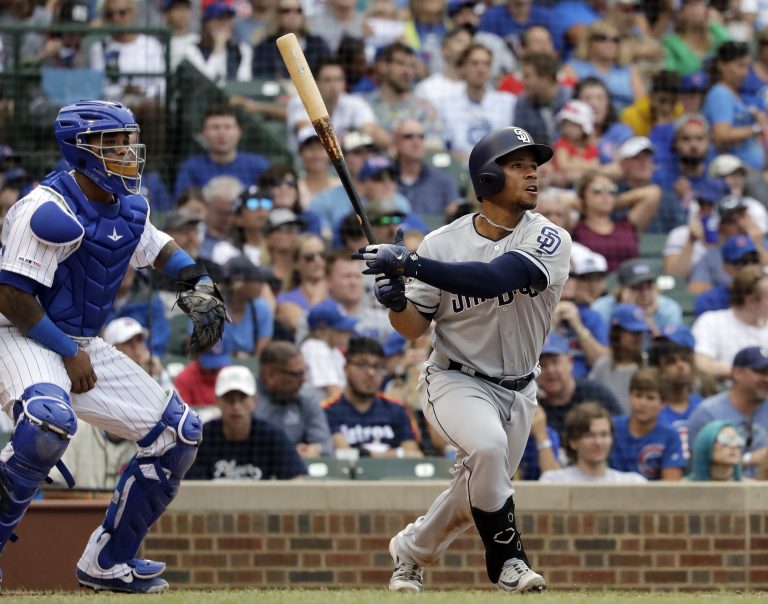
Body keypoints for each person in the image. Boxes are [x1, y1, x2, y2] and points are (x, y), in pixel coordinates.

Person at [0, 100, 228, 592]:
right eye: (113, 143)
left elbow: (157, 246)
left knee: (179, 434)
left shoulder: (125, 202)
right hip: (19, 334)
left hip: (77, 340)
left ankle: (109, 562)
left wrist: (199, 282)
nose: (127, 151)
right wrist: (67, 350)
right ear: (79, 151)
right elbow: (14, 297)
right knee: (46, 424)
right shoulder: (43, 210)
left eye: (128, 140)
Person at [355, 126, 572, 593]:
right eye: (518, 165)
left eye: (534, 164)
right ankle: (508, 560)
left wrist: (409, 265)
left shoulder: (550, 239)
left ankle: (409, 552)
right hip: (456, 380)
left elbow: (493, 278)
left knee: (470, 494)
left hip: (519, 388)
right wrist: (397, 302)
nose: (533, 172)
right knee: (488, 453)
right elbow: (415, 327)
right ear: (488, 178)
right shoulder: (441, 243)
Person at [187, 365, 307, 480]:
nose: (236, 407)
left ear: (254, 400)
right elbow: (192, 488)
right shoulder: (201, 439)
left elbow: (296, 481)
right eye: (229, 399)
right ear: (218, 401)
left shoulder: (272, 436)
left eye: (242, 398)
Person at [323, 336, 422, 458]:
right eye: (362, 365)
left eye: (377, 366)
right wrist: (395, 454)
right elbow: (343, 455)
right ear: (345, 369)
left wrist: (368, 455)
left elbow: (414, 456)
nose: (371, 373)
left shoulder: (397, 409)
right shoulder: (328, 410)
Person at [687, 346, 768, 477]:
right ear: (737, 373)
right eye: (760, 372)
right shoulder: (708, 412)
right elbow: (699, 466)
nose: (766, 379)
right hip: (719, 493)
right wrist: (749, 459)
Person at [536, 332, 623, 439]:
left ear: (570, 362)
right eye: (542, 364)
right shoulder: (533, 405)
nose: (550, 370)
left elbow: (621, 433)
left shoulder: (595, 393)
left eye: (555, 362)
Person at [255, 341, 334, 458]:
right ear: (271, 376)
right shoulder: (246, 399)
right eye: (296, 375)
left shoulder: (307, 399)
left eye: (304, 372)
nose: (303, 381)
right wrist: (289, 453)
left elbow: (326, 447)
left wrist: (316, 449)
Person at [173, 105, 270, 198]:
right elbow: (182, 203)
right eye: (215, 127)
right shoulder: (191, 168)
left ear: (239, 131)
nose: (222, 133)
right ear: (204, 133)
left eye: (228, 127)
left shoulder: (258, 165)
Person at [609, 368, 686, 480]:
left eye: (650, 398)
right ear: (630, 396)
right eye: (638, 396)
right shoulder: (612, 427)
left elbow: (671, 487)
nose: (642, 403)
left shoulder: (670, 436)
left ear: (663, 403)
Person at [539, 402, 647, 483]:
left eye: (604, 434)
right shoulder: (554, 481)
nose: (598, 442)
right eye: (589, 435)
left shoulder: (632, 482)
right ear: (573, 441)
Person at [692, 265, 768, 379]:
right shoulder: (711, 322)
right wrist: (750, 374)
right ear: (751, 301)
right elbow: (702, 365)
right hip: (727, 391)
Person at [588, 303, 649, 412]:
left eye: (640, 332)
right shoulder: (602, 366)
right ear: (616, 333)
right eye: (632, 332)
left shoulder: (649, 364)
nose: (637, 337)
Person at [301, 299, 358, 398]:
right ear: (321, 331)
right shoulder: (315, 348)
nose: (348, 333)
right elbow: (333, 392)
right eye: (341, 330)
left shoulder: (334, 350)